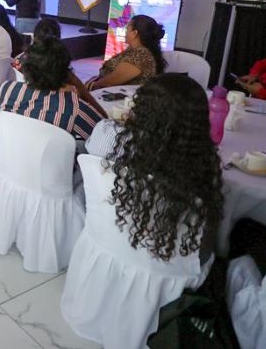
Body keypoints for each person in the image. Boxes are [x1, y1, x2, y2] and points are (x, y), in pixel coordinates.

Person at [84, 74, 224, 262]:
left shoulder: (105, 133)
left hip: (104, 239)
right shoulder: (201, 168)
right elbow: (203, 247)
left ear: (141, 107)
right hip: (168, 263)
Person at [0, 37, 105, 142]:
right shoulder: (74, 108)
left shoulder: (6, 89)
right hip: (53, 158)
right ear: (65, 72)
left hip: (7, 155)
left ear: (27, 68)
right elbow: (105, 138)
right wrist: (79, 88)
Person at [85, 15, 166, 91]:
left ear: (135, 33)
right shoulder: (134, 49)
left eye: (127, 29)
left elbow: (111, 81)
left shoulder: (140, 56)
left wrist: (92, 85)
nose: (125, 32)